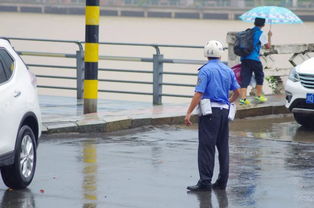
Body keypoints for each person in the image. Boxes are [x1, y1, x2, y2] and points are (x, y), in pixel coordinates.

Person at [184, 40, 240, 191]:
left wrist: (189, 112)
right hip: (224, 112)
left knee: (206, 147)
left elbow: (199, 93)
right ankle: (222, 182)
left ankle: (205, 182)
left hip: (210, 113)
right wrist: (229, 101)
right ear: (220, 53)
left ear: (206, 53)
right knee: (223, 147)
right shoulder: (228, 70)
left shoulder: (205, 70)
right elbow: (237, 92)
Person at [239, 17, 272, 105]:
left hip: (244, 58)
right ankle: (258, 96)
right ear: (263, 25)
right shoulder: (261, 33)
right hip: (254, 59)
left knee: (245, 78)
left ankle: (243, 99)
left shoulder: (248, 32)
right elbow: (268, 47)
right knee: (259, 76)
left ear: (254, 23)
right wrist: (269, 37)